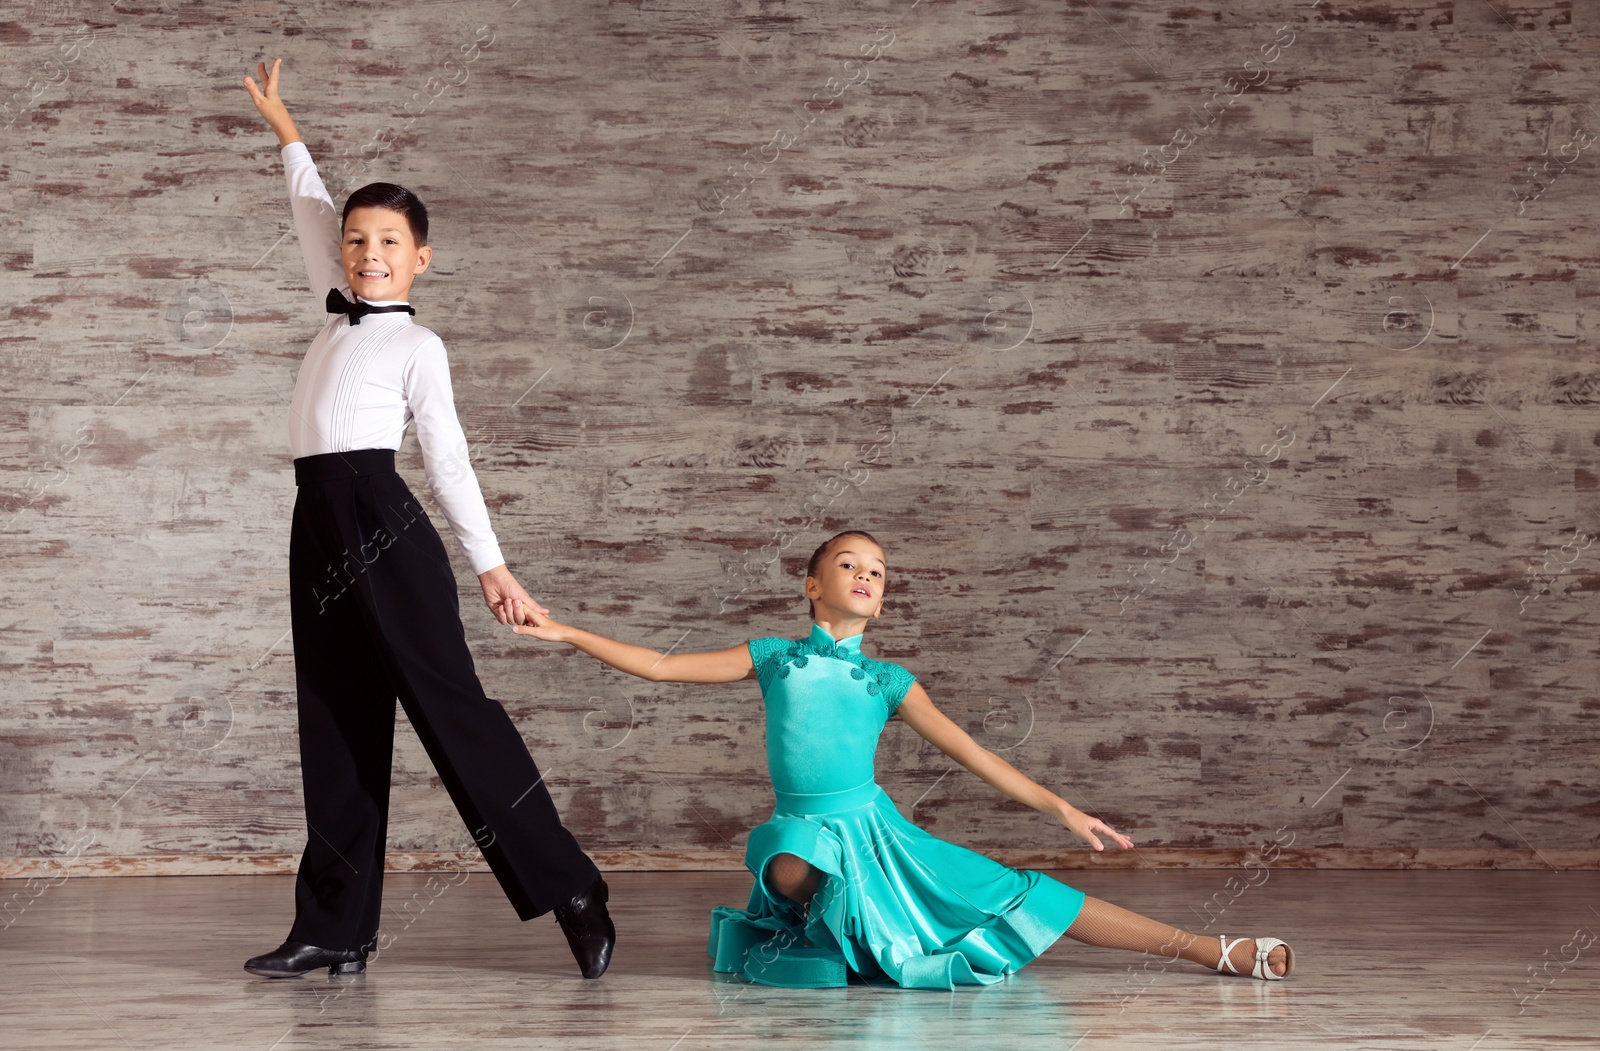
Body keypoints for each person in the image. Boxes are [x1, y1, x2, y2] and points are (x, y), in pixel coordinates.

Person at [512, 530, 1294, 989]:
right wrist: (570, 631)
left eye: (876, 572)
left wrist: (1061, 808)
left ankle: (1207, 948)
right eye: (849, 564)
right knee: (788, 851)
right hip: (806, 836)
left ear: (881, 600)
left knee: (1030, 894)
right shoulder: (775, 657)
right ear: (813, 584)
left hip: (879, 833)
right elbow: (657, 665)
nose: (864, 575)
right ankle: (836, 918)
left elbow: (975, 752)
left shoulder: (891, 682)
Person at [238, 58, 613, 980]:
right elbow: (310, 209)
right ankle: (333, 927)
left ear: (421, 258)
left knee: (453, 716)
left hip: (381, 522)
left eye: (390, 243)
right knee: (333, 720)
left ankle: (572, 887)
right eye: (358, 241)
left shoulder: (418, 343)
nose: (368, 254)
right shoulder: (332, 308)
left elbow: (447, 458)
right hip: (314, 518)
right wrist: (286, 128)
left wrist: (492, 563)